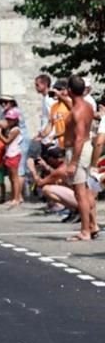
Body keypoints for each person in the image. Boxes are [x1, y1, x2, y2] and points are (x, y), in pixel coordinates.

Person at [59, 75, 99, 241]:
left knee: (80, 193)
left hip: (78, 151)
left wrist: (73, 163)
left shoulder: (77, 111)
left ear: (69, 90)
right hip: (83, 149)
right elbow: (76, 107)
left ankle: (85, 231)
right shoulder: (87, 105)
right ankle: (92, 225)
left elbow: (80, 138)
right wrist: (63, 98)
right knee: (83, 190)